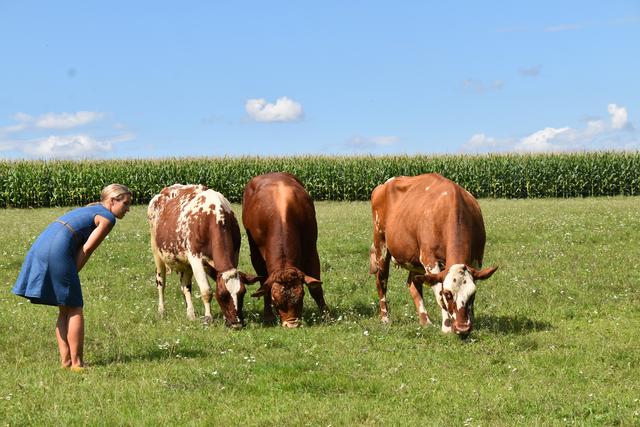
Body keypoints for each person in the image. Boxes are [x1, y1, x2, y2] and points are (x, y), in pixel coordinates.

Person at [12, 183, 132, 371]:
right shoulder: (108, 218)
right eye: (125, 203)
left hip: (41, 245)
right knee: (75, 308)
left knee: (64, 309)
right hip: (58, 250)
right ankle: (77, 364)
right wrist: (71, 272)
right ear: (112, 201)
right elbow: (87, 248)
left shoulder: (91, 208)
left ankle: (66, 362)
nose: (128, 209)